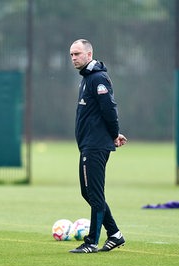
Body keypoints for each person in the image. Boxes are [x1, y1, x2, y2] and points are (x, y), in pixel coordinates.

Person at [68, 39, 127, 254]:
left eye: (77, 54)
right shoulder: (87, 78)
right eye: (71, 55)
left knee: (94, 193)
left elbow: (109, 109)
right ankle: (115, 234)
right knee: (89, 193)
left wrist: (114, 134)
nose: (73, 58)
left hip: (95, 145)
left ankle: (92, 241)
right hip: (89, 145)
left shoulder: (98, 78)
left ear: (89, 54)